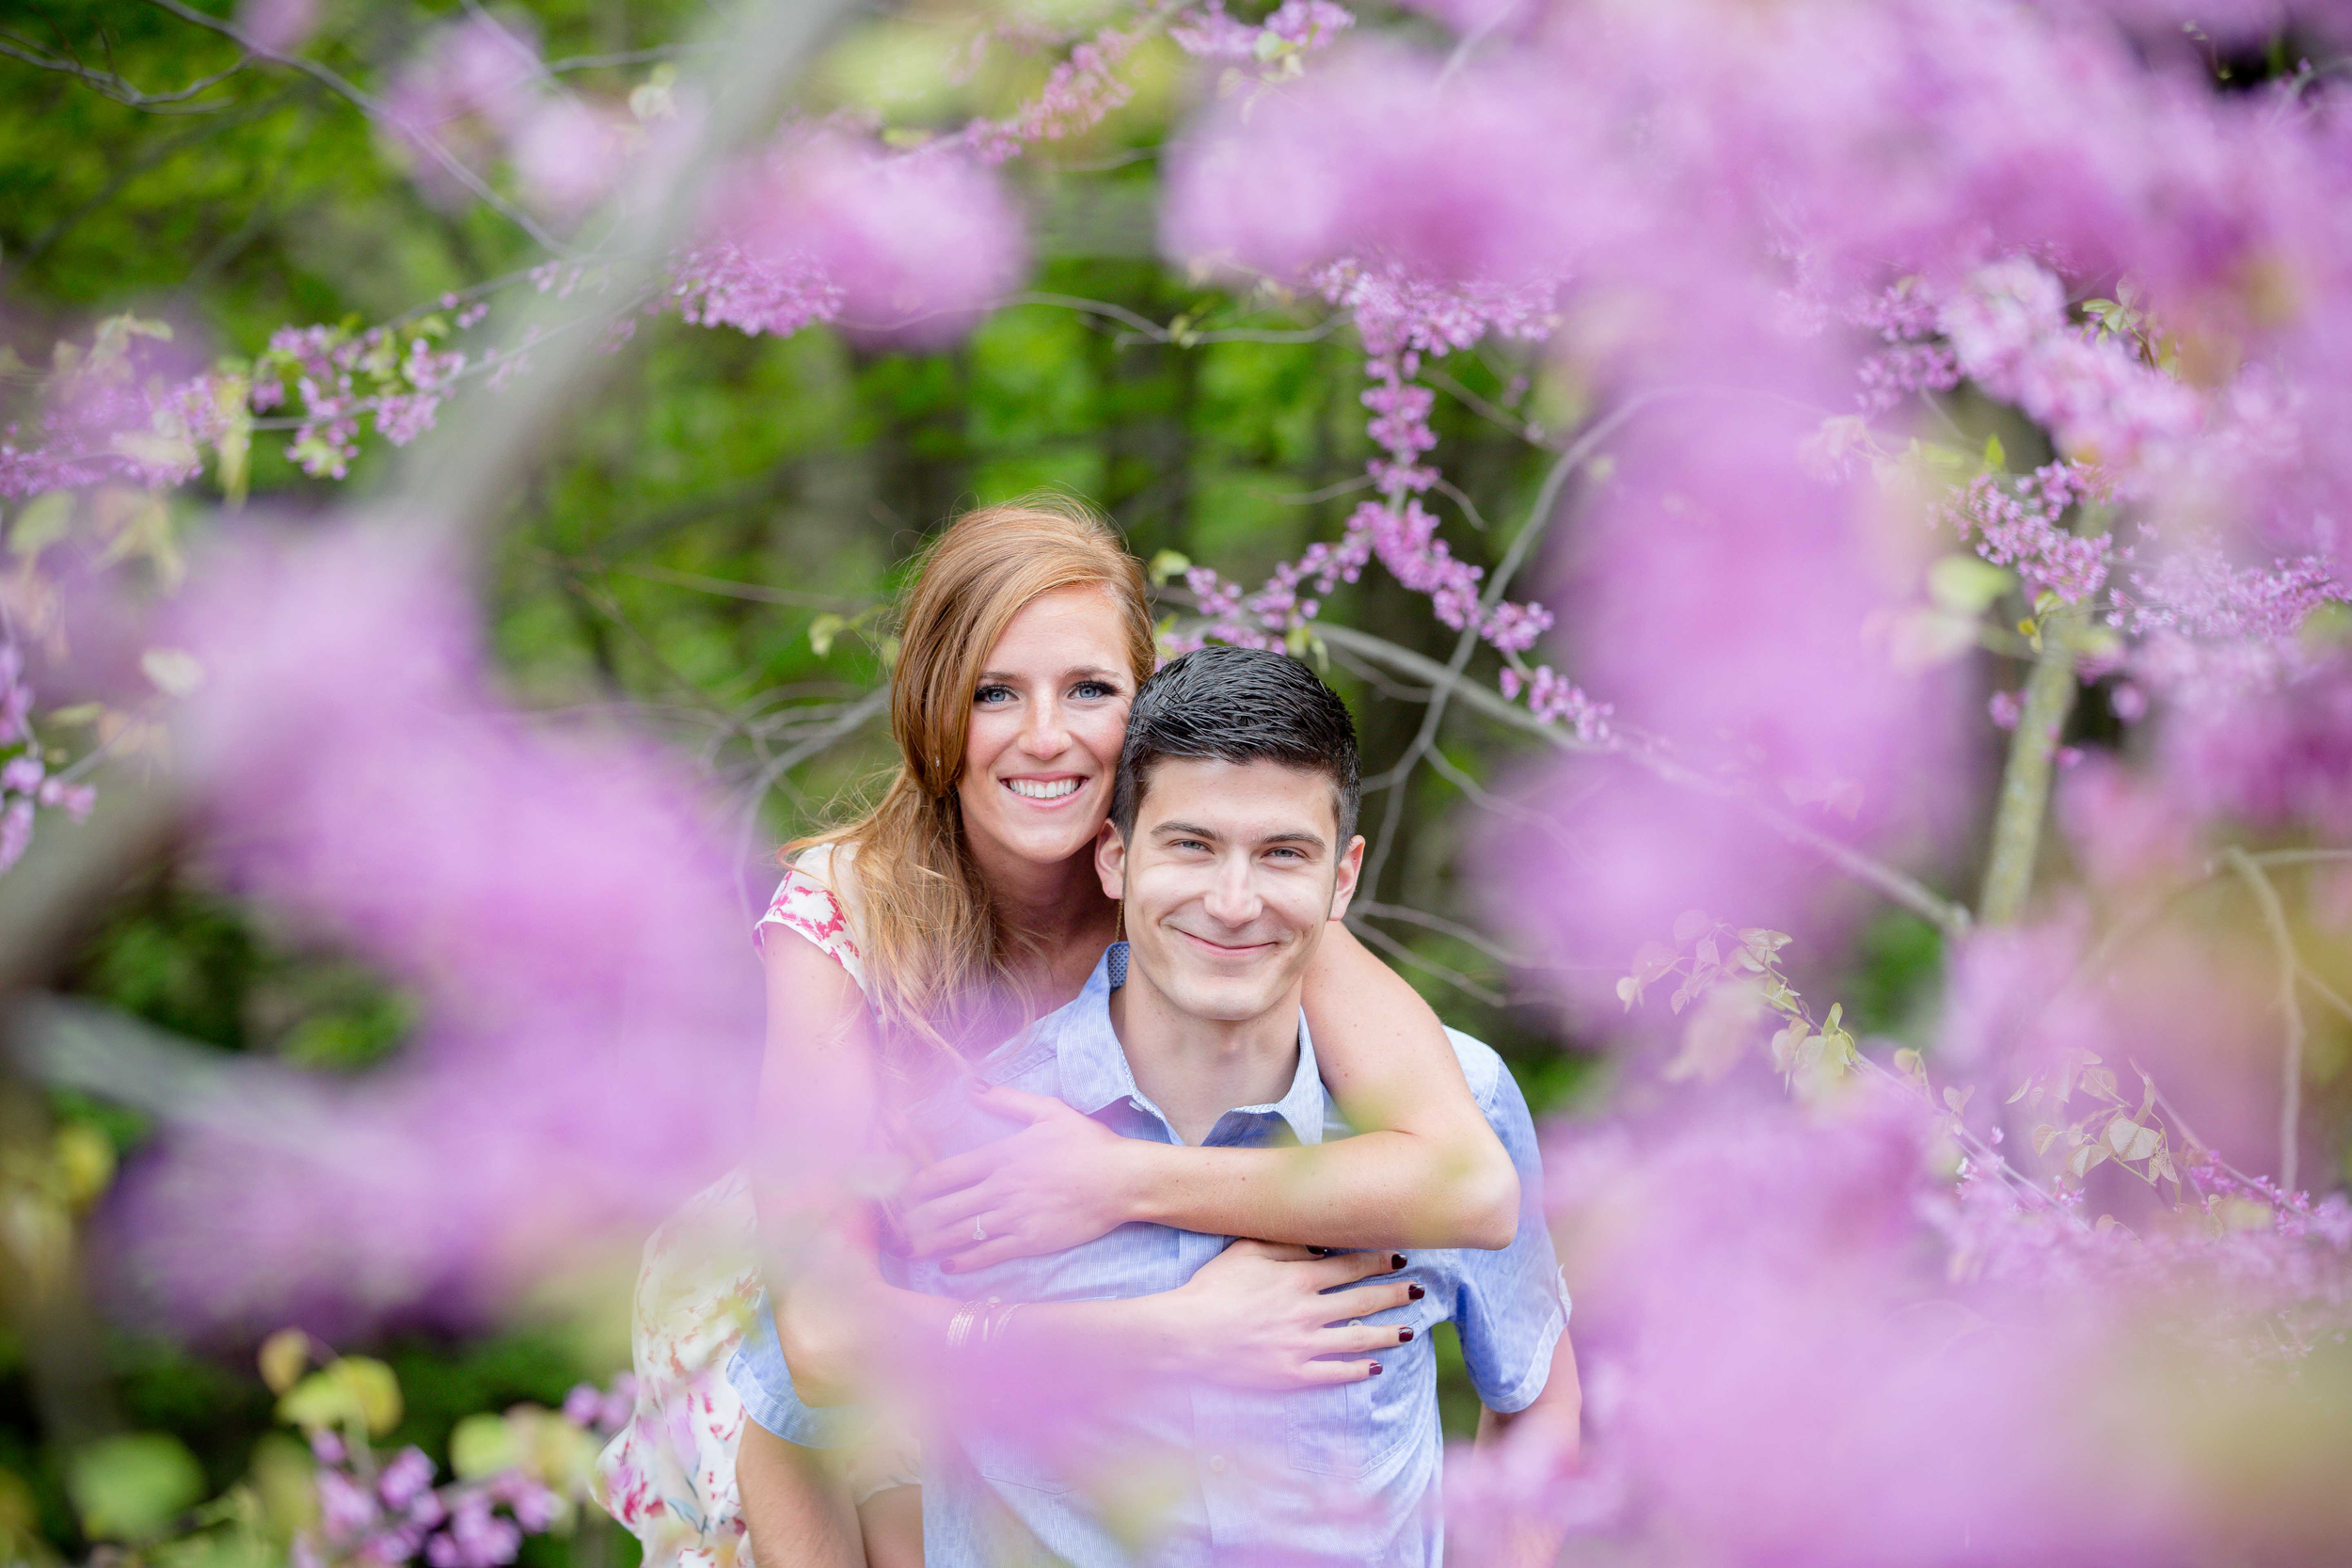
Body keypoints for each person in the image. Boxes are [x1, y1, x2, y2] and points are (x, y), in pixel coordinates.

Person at [593, 500, 1524, 1568]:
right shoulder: (849, 907)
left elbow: (1468, 1182)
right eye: (995, 691)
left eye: (1090, 688)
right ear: (935, 707)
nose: (1046, 734)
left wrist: (1118, 1180)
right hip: (841, 1313)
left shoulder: (1203, 884)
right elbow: (821, 1341)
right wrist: (1179, 1330)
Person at [731, 645, 1580, 1565]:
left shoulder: (1458, 1105)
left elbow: (1536, 1396)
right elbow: (786, 1431)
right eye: (1191, 845)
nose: (1232, 899)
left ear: (1342, 877)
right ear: (1113, 856)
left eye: (1284, 853)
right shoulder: (964, 1140)